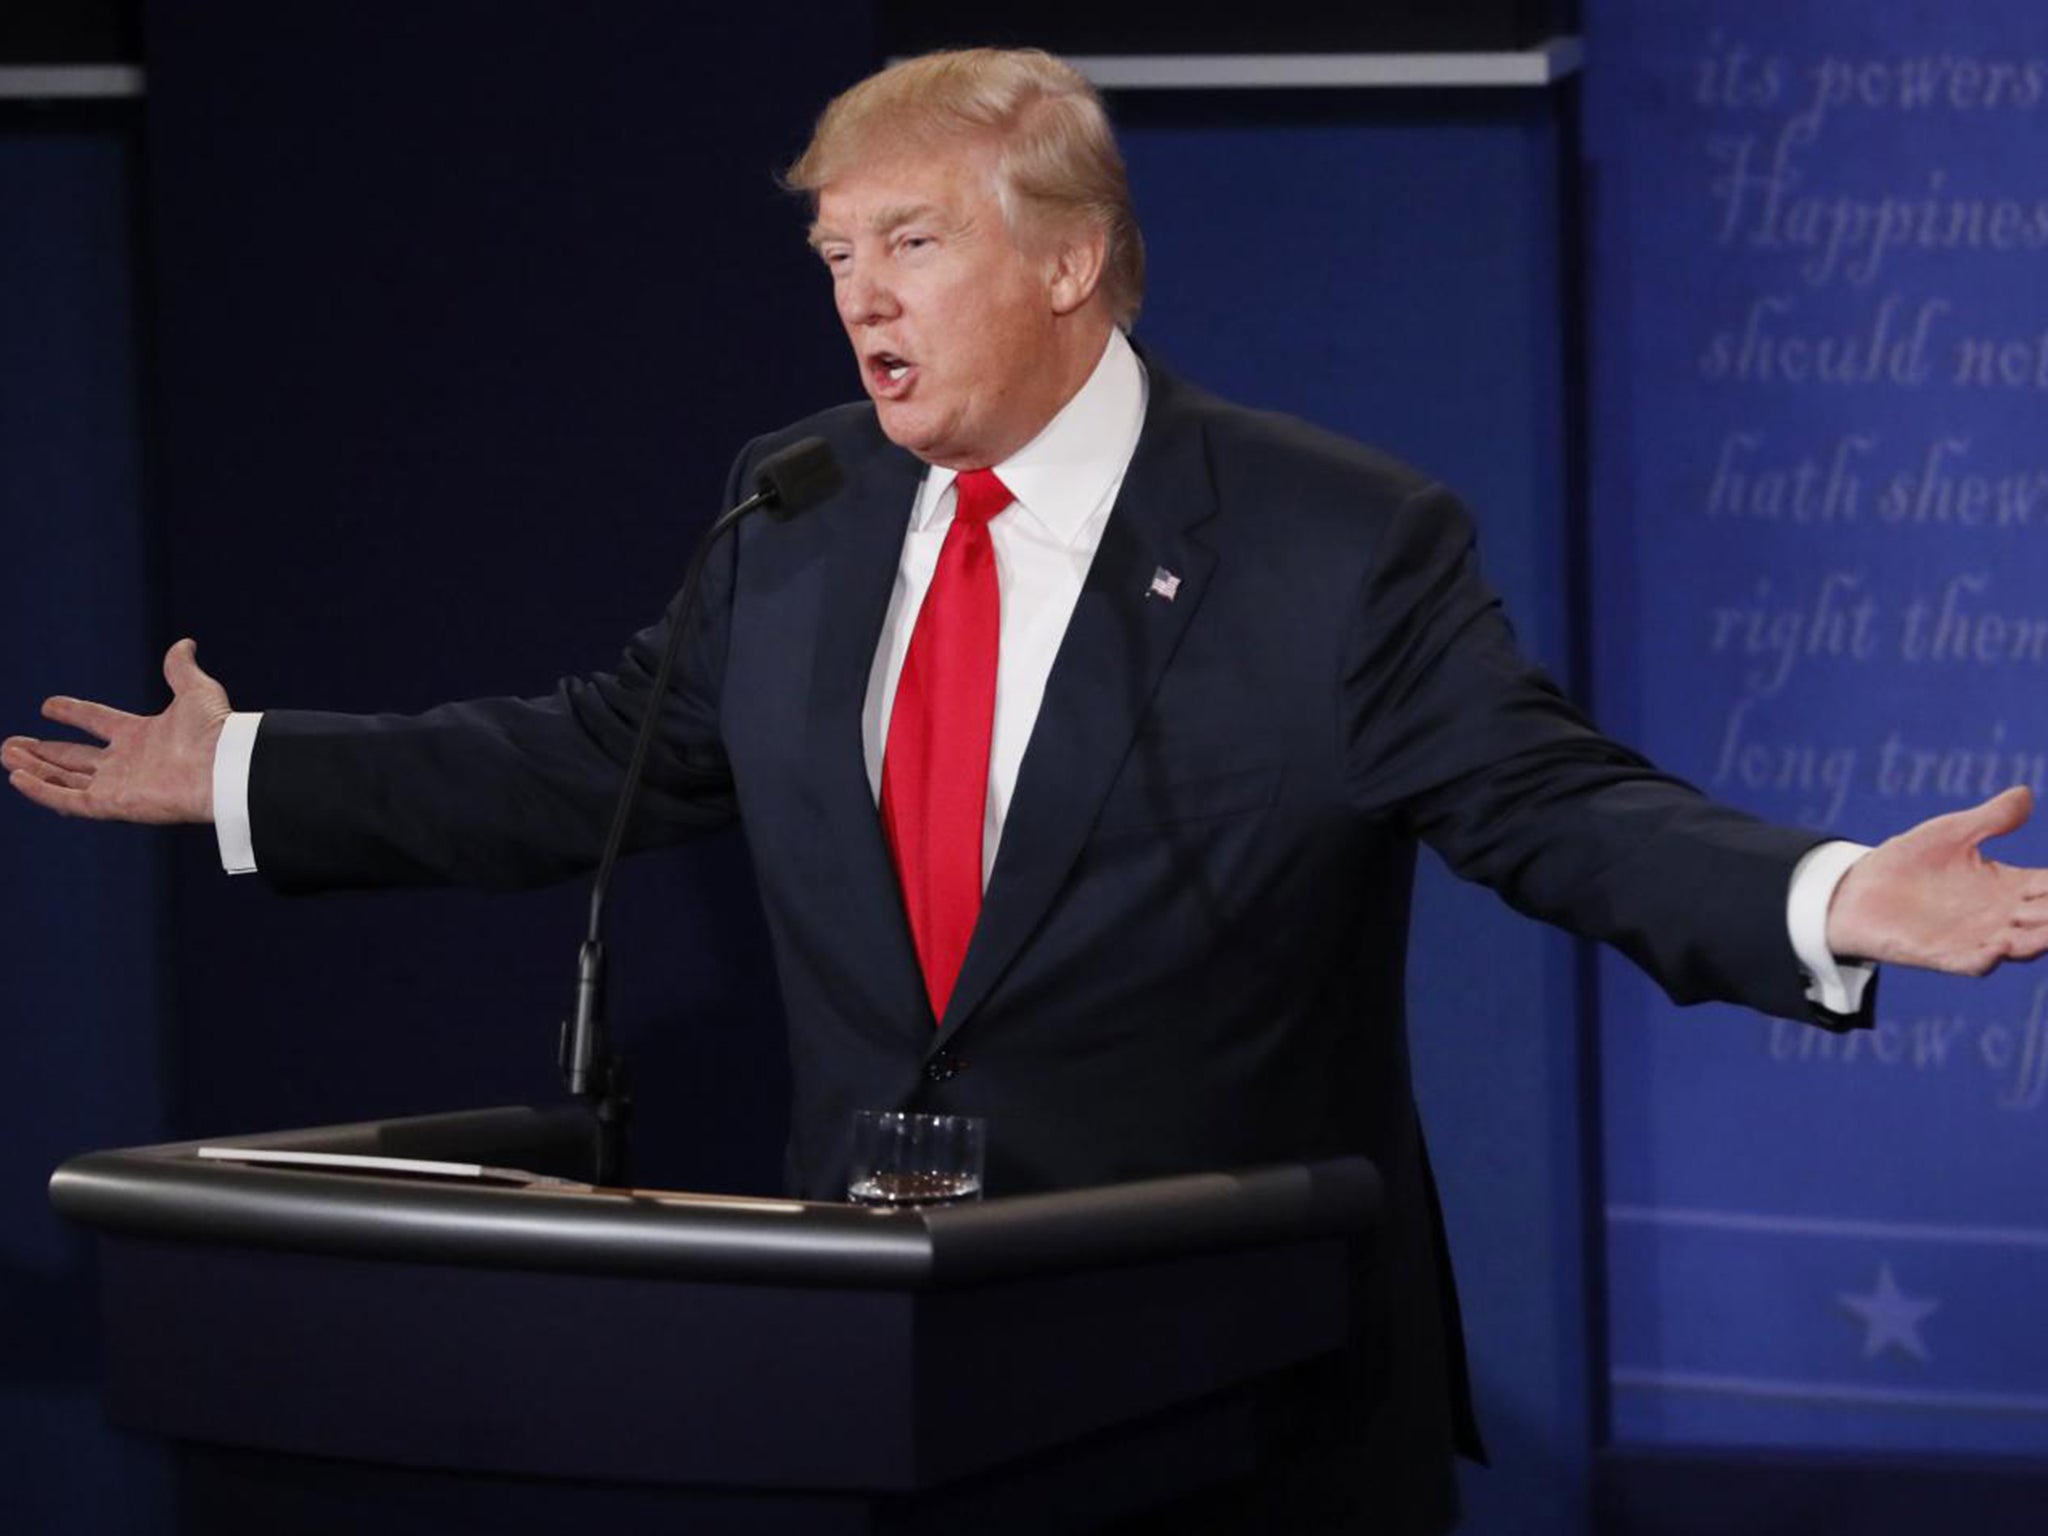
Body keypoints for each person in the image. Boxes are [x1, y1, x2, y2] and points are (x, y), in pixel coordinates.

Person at [8, 46, 2048, 1535]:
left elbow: (1542, 798)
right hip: (873, 1387)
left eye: (909, 243)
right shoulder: (793, 508)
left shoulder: (1332, 538)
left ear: (1074, 262)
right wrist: (253, 773)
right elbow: (589, 759)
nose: (860, 298)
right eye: (834, 253)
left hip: (1221, 1393)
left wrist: (1834, 895)